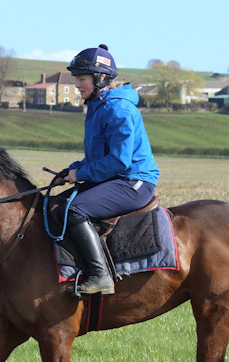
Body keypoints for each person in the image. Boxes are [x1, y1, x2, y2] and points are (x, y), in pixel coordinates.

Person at [57, 44, 160, 295]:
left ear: (101, 78)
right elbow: (98, 157)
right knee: (54, 205)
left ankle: (100, 276)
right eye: (76, 78)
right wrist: (71, 170)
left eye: (81, 79)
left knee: (74, 210)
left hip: (133, 181)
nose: (77, 84)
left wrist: (80, 174)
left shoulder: (118, 108)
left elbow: (118, 161)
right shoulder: (98, 106)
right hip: (114, 178)